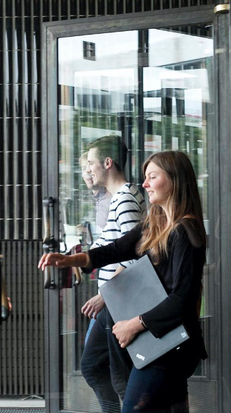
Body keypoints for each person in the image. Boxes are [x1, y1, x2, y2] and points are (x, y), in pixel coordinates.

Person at [39, 151, 208, 413]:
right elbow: (117, 248)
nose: (145, 184)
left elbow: (182, 299)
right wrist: (70, 260)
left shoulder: (185, 231)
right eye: (145, 177)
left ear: (175, 180)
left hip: (168, 343)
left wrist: (135, 325)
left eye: (152, 177)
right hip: (157, 338)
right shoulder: (157, 222)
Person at [80, 136, 146, 412]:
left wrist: (105, 297)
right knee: (97, 368)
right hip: (115, 302)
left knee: (108, 372)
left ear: (108, 163)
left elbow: (134, 255)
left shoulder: (126, 199)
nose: (88, 170)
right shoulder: (120, 198)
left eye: (92, 163)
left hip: (118, 303)